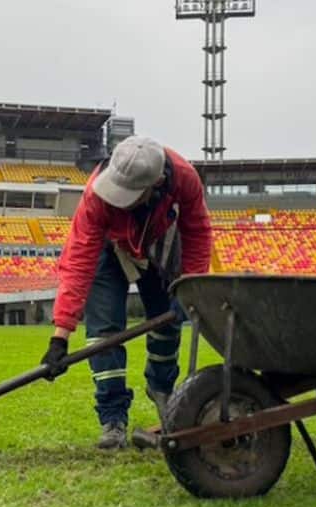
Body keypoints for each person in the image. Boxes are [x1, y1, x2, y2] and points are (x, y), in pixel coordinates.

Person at [40, 135, 213, 449]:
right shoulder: (96, 195)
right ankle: (113, 420)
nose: (117, 198)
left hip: (159, 242)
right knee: (103, 332)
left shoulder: (185, 178)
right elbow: (78, 260)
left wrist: (190, 286)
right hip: (110, 246)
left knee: (167, 321)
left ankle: (162, 393)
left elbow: (198, 233)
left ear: (156, 183)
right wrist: (60, 336)